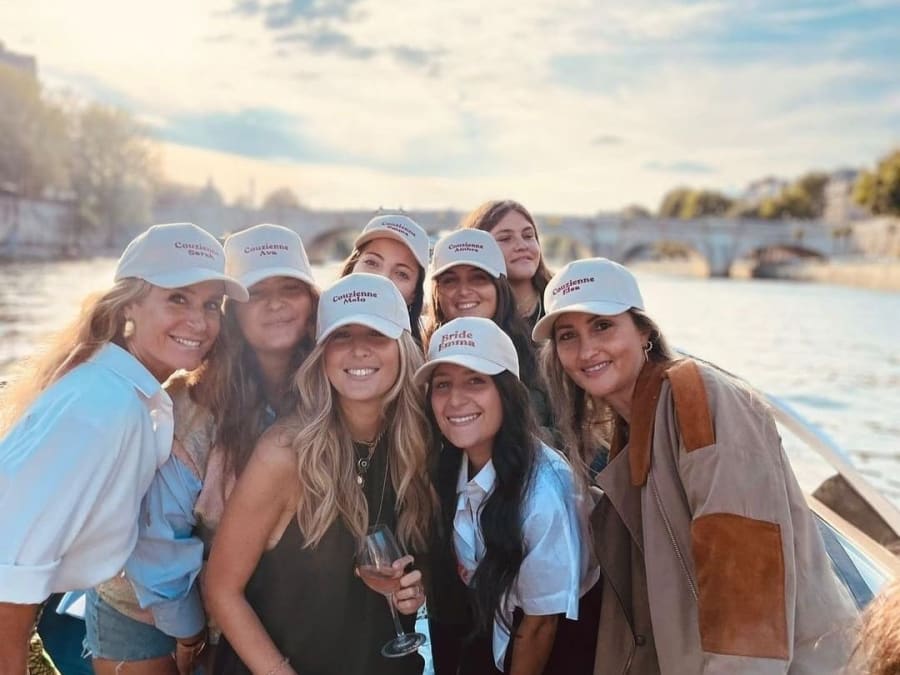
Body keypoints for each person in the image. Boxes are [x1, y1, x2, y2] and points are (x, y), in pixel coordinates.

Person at [535, 257, 858, 674]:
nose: (586, 350)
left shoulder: (699, 400)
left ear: (644, 330)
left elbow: (747, 582)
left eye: (602, 325)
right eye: (567, 336)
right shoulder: (633, 430)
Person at [0, 222, 247, 674]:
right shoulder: (106, 407)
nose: (199, 321)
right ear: (130, 302)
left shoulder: (125, 389)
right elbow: (7, 578)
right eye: (177, 297)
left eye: (211, 304)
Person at [86, 224, 319, 675]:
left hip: (239, 604)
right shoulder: (191, 410)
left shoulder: (326, 389)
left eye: (290, 288)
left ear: (312, 302)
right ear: (232, 313)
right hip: (146, 608)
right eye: (257, 291)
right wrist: (193, 634)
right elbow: (156, 546)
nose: (275, 303)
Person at [205, 273, 435, 675]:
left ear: (402, 348)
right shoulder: (285, 454)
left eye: (376, 335)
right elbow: (221, 589)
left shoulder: (418, 447)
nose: (359, 350)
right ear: (321, 352)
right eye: (341, 337)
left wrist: (415, 590)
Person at [417, 317, 599, 675]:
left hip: (550, 648)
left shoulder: (543, 492)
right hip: (490, 627)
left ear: (507, 392)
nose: (455, 400)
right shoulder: (451, 462)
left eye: (475, 381)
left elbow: (540, 626)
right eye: (442, 384)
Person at [426, 229, 551, 432]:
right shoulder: (423, 356)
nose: (464, 291)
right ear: (437, 293)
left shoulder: (540, 355)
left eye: (478, 279)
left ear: (500, 287)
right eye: (450, 281)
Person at [461, 200, 552, 331]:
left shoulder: (563, 301)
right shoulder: (470, 309)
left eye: (528, 236)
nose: (522, 246)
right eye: (505, 239)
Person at [341, 214, 430, 345]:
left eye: (401, 273)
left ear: (414, 295)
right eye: (371, 262)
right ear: (351, 267)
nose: (382, 279)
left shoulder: (427, 363)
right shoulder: (311, 340)